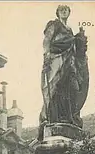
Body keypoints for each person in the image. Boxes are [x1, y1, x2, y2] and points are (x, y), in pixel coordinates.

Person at [38, 4, 89, 139]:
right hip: (57, 61)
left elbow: (74, 47)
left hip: (69, 62)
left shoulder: (69, 29)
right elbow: (47, 41)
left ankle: (67, 116)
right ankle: (55, 117)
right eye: (61, 10)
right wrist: (47, 54)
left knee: (71, 88)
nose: (64, 11)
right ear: (58, 12)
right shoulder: (54, 25)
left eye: (66, 9)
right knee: (56, 88)